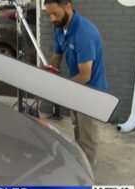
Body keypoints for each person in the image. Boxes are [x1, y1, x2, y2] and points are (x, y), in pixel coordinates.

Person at [44, 0, 108, 165]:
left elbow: (85, 75)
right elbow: (57, 56)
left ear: (68, 6)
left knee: (88, 131)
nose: (52, 18)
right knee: (76, 124)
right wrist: (45, 75)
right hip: (76, 87)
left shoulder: (84, 33)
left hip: (91, 90)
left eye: (55, 13)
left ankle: (88, 168)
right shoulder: (60, 28)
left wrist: (62, 89)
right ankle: (81, 159)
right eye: (49, 14)